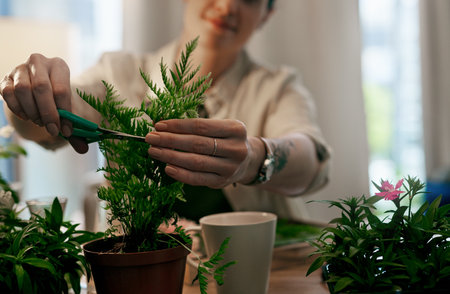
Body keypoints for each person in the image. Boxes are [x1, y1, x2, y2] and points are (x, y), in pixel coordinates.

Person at [0, 0, 330, 221]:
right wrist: (28, 97)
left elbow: (311, 160)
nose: (228, 6)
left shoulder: (277, 88)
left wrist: (255, 157)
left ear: (266, 15)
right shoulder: (119, 73)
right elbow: (51, 118)